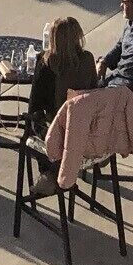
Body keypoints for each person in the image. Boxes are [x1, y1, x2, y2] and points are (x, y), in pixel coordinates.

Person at [23, 15, 102, 198]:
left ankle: (49, 173)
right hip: (84, 127)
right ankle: (61, 171)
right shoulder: (88, 59)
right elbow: (93, 90)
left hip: (59, 129)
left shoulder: (47, 62)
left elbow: (35, 103)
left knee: (35, 124)